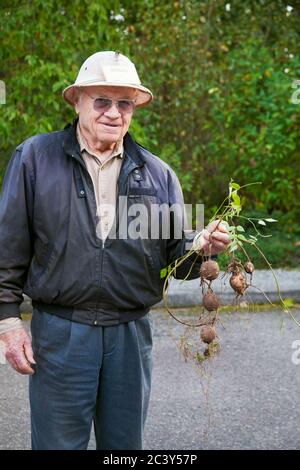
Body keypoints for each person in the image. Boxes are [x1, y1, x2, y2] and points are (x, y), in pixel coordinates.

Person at [0, 51, 229, 450]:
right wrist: (7, 322)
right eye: (102, 101)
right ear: (77, 101)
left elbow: (175, 259)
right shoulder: (35, 159)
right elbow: (8, 246)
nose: (113, 113)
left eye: (124, 103)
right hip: (61, 332)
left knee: (123, 449)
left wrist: (201, 247)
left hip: (129, 335)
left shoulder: (157, 175)